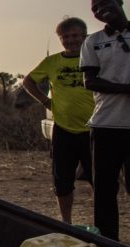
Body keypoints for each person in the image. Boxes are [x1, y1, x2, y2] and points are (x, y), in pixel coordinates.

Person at [22, 17, 95, 224]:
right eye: (66, 37)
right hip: (63, 128)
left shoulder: (95, 57)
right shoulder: (52, 62)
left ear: (84, 36)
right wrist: (45, 100)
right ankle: (66, 222)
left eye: (75, 35)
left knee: (98, 180)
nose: (71, 40)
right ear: (60, 39)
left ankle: (101, 224)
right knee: (62, 180)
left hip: (93, 129)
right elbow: (28, 81)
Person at [80, 0, 130, 241]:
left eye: (105, 3)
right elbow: (89, 81)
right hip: (106, 124)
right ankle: (109, 244)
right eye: (95, 8)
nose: (101, 10)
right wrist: (125, 89)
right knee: (104, 190)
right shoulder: (93, 41)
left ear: (119, 2)